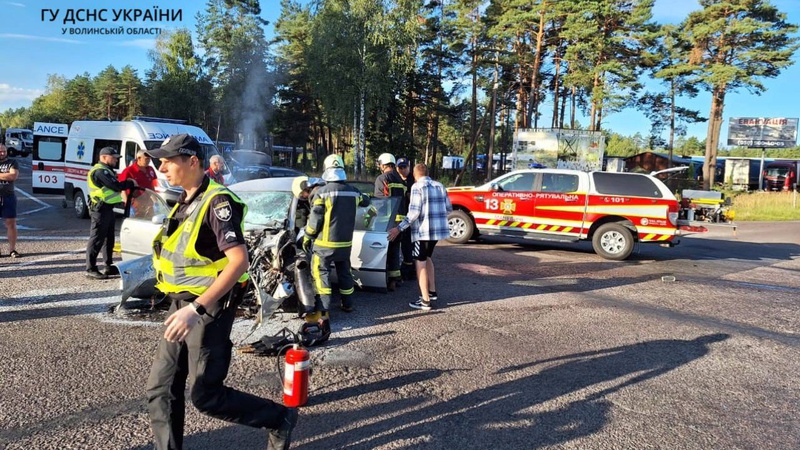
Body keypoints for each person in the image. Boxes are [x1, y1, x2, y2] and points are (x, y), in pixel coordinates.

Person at [144, 133, 297, 450]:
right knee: (161, 388)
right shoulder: (186, 199)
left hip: (207, 309)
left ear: (192, 161)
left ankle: (278, 418)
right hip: (181, 306)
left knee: (206, 396)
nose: (161, 168)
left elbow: (238, 261)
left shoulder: (217, 202)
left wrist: (196, 309)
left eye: (167, 161)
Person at [304, 154, 370, 320]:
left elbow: (315, 221)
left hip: (324, 245)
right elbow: (366, 201)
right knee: (344, 273)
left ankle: (324, 310)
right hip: (345, 244)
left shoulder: (321, 193)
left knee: (321, 274)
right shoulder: (353, 192)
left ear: (327, 171)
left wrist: (307, 236)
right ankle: (347, 304)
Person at [388, 163, 452, 311]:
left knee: (420, 262)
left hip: (422, 232)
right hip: (437, 232)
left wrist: (398, 228)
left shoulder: (417, 187)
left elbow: (414, 213)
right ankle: (432, 291)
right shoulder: (440, 186)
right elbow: (448, 208)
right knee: (428, 258)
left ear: (415, 175)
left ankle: (425, 300)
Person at [85, 147, 137, 279]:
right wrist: (130, 183)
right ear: (104, 157)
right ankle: (90, 269)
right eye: (113, 157)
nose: (116, 160)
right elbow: (116, 186)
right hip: (100, 210)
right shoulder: (100, 171)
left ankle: (108, 266)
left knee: (109, 240)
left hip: (108, 209)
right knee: (97, 239)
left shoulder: (107, 170)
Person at [373, 153, 408, 291]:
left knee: (384, 252)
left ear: (383, 164)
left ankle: (384, 279)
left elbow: (378, 202)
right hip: (400, 224)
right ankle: (395, 279)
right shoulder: (401, 179)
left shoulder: (382, 178)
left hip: (386, 221)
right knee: (394, 251)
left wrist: (368, 216)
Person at [119, 148, 158, 214]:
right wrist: (129, 206)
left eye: (149, 159)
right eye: (146, 159)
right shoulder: (128, 171)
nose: (149, 161)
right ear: (139, 158)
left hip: (148, 207)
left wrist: (156, 202)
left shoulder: (150, 169)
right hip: (135, 207)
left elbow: (152, 187)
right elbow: (123, 191)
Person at [395, 157, 415, 280]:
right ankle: (405, 268)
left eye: (405, 167)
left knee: (409, 246)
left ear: (409, 167)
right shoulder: (396, 180)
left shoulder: (413, 181)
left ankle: (410, 270)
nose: (403, 170)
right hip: (401, 219)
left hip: (411, 218)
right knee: (403, 246)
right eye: (400, 167)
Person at [0, 144, 20, 258]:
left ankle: (12, 250)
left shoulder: (12, 162)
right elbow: (8, 175)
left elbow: (13, 176)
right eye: (0, 151)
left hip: (8, 196)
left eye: (4, 151)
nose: (2, 153)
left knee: (11, 223)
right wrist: (5, 175)